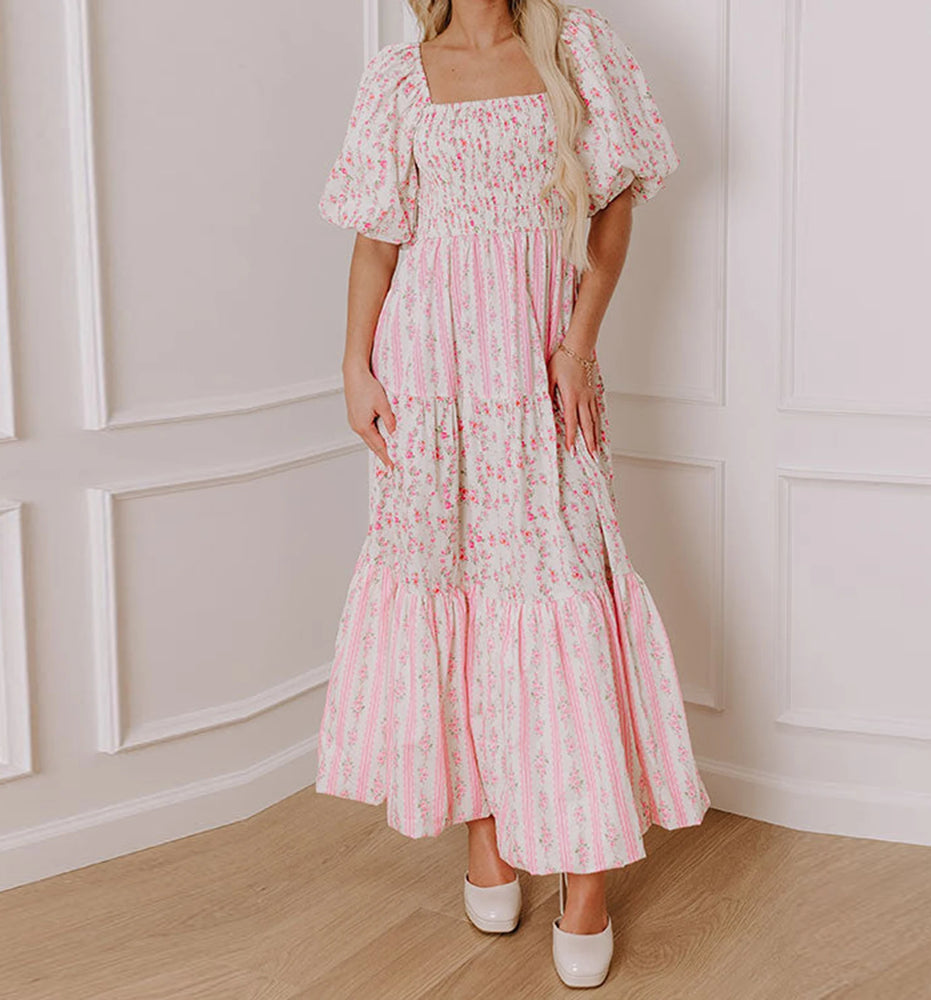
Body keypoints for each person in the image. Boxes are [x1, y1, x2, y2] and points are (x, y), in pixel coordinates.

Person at [315, 0, 710, 988]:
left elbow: (615, 205)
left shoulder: (576, 47)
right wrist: (355, 370)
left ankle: (584, 874)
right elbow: (377, 241)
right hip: (427, 376)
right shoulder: (398, 77)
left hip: (539, 376)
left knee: (561, 598)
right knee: (456, 594)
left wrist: (578, 345)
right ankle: (484, 829)